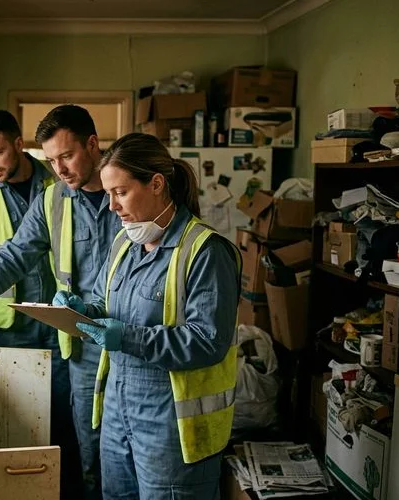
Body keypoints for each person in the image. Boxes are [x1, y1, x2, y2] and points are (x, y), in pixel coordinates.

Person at [0, 105, 120, 499]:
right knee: (87, 452)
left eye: (67, 156)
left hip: (131, 344)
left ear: (94, 145)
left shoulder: (126, 192)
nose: (60, 170)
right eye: (52, 160)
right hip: (78, 344)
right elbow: (11, 256)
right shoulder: (54, 200)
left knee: (123, 457)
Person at [64, 133, 240, 499]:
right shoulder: (124, 244)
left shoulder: (206, 251)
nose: (111, 206)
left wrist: (127, 337)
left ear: (157, 184)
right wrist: (81, 310)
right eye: (109, 193)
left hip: (172, 430)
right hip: (118, 418)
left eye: (121, 192)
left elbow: (209, 341)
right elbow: (103, 303)